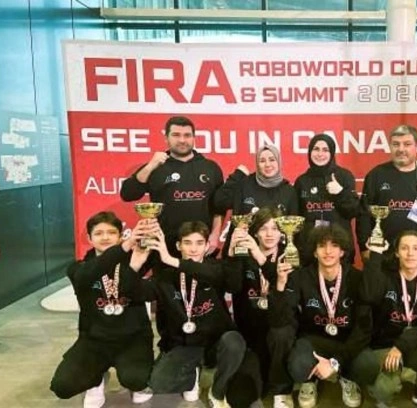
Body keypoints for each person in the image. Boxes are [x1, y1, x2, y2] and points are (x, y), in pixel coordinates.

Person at [146, 221, 260, 408]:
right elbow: (139, 291)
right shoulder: (166, 275)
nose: (193, 249)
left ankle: (217, 391)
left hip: (216, 342)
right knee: (159, 383)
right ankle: (194, 373)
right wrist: (139, 255)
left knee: (234, 342)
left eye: (199, 243)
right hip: (185, 344)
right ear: (178, 246)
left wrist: (172, 260)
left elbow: (231, 284)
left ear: (207, 246)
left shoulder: (215, 268)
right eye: (187, 243)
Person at [50, 212, 155, 408]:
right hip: (94, 341)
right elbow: (88, 275)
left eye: (111, 232)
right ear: (89, 238)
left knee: (136, 380)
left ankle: (134, 382)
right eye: (98, 233)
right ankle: (96, 379)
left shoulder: (137, 261)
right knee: (63, 386)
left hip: (132, 339)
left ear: (120, 235)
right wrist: (125, 247)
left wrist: (134, 267)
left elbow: (147, 294)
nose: (105, 237)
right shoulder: (78, 268)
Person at [270, 225, 371, 408]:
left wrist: (335, 362)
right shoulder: (301, 276)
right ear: (314, 252)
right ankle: (310, 380)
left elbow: (363, 328)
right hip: (313, 341)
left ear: (342, 251)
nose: (328, 251)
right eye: (322, 246)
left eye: (334, 245)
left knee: (365, 364)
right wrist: (280, 285)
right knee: (298, 366)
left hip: (346, 341)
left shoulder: (357, 278)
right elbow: (282, 318)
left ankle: (346, 376)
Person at [354, 230, 417, 408]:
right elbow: (368, 296)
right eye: (404, 248)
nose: (410, 253)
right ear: (396, 252)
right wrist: (375, 256)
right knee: (385, 389)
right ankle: (380, 391)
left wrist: (402, 346)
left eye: (416, 248)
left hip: (414, 343)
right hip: (386, 345)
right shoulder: (385, 277)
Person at [120, 115, 225, 254]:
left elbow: (219, 208)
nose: (182, 140)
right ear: (166, 138)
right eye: (176, 135)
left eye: (187, 135)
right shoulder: (156, 166)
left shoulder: (211, 168)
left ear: (194, 138)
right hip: (163, 246)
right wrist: (150, 166)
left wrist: (215, 235)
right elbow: (127, 194)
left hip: (200, 246)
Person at [224, 207, 296, 407]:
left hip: (279, 331)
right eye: (264, 229)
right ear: (254, 233)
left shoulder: (290, 256)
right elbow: (232, 287)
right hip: (251, 335)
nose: (270, 234)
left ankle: (282, 389)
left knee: (280, 334)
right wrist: (231, 256)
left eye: (275, 228)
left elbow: (287, 306)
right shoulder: (243, 255)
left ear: (282, 233)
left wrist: (259, 256)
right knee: (240, 397)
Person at [357, 124, 417, 264]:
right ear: (390, 146)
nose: (401, 149)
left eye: (407, 144)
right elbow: (364, 215)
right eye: (396, 144)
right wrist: (364, 247)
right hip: (382, 253)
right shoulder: (376, 175)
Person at [214, 143, 299, 258]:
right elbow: (219, 202)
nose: (267, 164)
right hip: (242, 254)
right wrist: (237, 175)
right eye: (262, 161)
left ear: (278, 162)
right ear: (257, 164)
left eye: (272, 160)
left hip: (275, 256)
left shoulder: (289, 191)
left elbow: (292, 231)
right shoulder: (244, 185)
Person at [295, 133, 361, 265]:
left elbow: (354, 211)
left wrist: (340, 193)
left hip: (340, 250)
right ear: (310, 152)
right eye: (316, 149)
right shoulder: (302, 181)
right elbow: (297, 218)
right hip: (310, 253)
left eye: (325, 150)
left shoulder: (344, 176)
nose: (320, 154)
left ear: (332, 153)